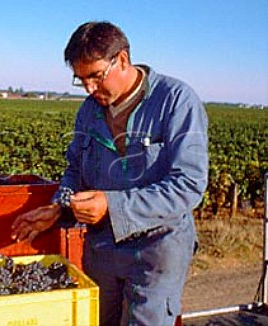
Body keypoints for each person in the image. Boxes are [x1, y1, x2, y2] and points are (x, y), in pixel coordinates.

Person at [11, 21, 208, 326]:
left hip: (158, 247)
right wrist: (58, 208)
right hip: (102, 247)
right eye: (80, 80)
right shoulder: (89, 111)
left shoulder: (176, 101)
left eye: (95, 76)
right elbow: (75, 170)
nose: (89, 88)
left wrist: (113, 206)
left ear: (123, 60)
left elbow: (189, 184)